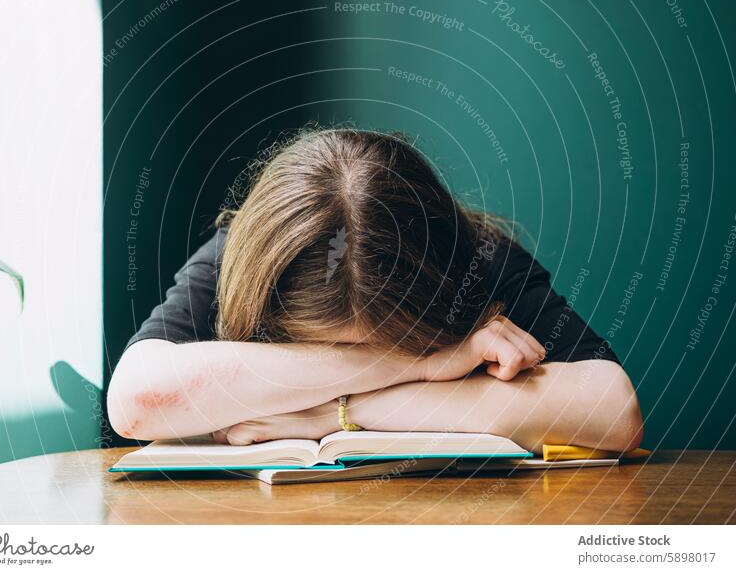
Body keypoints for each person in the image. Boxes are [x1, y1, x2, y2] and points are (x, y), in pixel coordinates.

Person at [107, 128, 643, 453]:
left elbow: (615, 410)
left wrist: (334, 413)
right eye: (326, 352)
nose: (357, 358)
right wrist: (420, 365)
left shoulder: (474, 255)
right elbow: (135, 402)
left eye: (387, 343)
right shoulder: (238, 257)